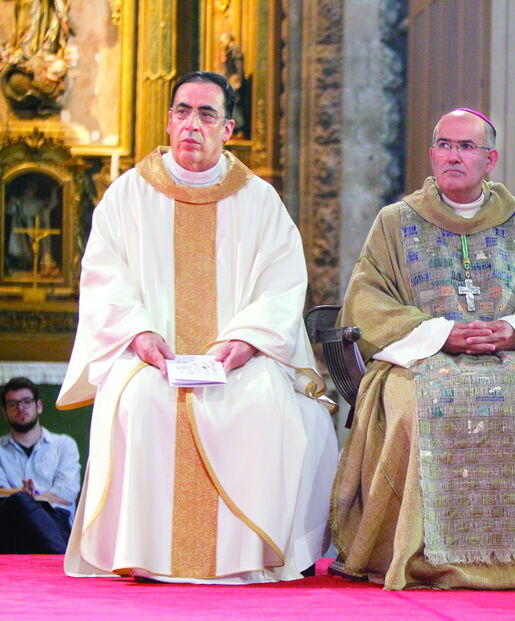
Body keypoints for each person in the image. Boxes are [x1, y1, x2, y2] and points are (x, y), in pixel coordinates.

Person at [57, 71, 338, 584]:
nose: (192, 124)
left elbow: (282, 281)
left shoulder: (258, 200)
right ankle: (144, 555)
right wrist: (138, 332)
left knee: (263, 405)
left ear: (227, 128)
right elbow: (103, 274)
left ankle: (246, 559)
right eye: (183, 112)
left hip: (235, 359)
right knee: (141, 403)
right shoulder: (128, 196)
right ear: (169, 120)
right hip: (150, 357)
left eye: (207, 114)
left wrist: (247, 339)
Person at [330, 108, 515, 590]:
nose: (453, 155)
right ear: (432, 153)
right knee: (416, 410)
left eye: (466, 146)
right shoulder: (395, 223)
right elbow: (365, 300)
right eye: (444, 145)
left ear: (490, 159)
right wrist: (439, 334)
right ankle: (417, 556)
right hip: (421, 358)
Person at [0, 376, 80, 553]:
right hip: (11, 525)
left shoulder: (64, 445)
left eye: (26, 402)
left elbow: (66, 494)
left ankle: (60, 557)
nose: (20, 408)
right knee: (17, 504)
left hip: (55, 522)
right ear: (5, 412)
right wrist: (22, 497)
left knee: (21, 501)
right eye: (12, 404)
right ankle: (60, 559)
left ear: (39, 406)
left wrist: (27, 497)